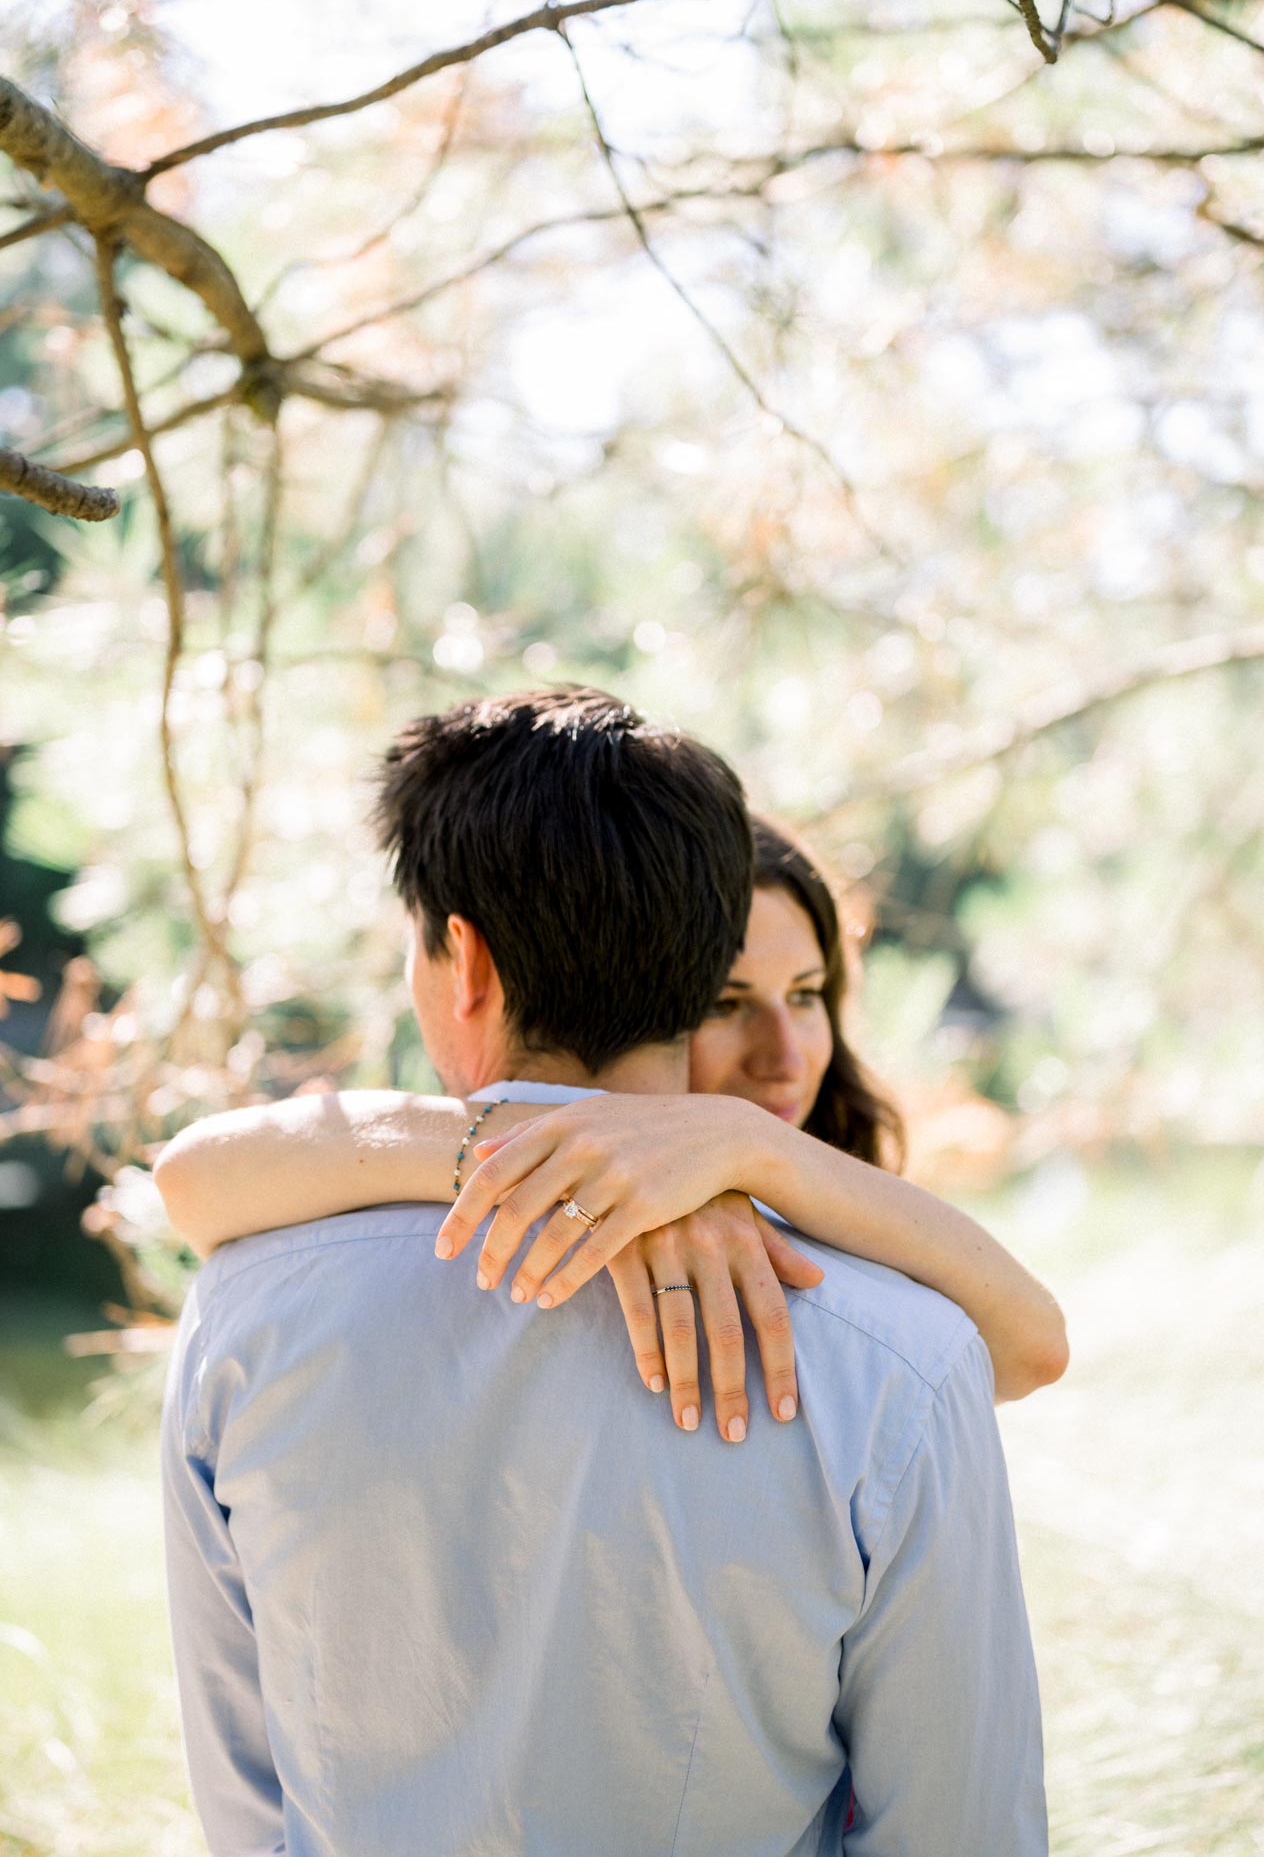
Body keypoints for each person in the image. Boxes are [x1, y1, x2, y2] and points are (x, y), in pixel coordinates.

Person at [159, 687, 1048, 1856]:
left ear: (460, 960)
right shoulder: (899, 1356)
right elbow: (962, 1832)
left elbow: (246, 1801)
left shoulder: (242, 1315)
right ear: (700, 963)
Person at [157, 822, 1068, 1430]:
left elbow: (1034, 1350)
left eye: (806, 995)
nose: (785, 1054)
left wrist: (754, 1149)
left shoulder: (831, 1206)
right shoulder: (470, 1161)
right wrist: (564, 1153)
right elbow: (191, 1180)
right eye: (728, 1002)